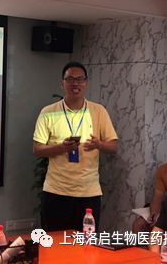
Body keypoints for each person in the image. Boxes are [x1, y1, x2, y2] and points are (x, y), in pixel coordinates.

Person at [33, 61, 118, 232]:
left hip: (89, 193)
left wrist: (99, 144)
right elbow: (37, 149)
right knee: (55, 244)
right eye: (70, 79)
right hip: (56, 191)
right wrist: (62, 148)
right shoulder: (48, 112)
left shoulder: (98, 111)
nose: (75, 84)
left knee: (86, 245)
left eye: (80, 79)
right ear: (62, 83)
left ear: (85, 83)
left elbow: (113, 146)